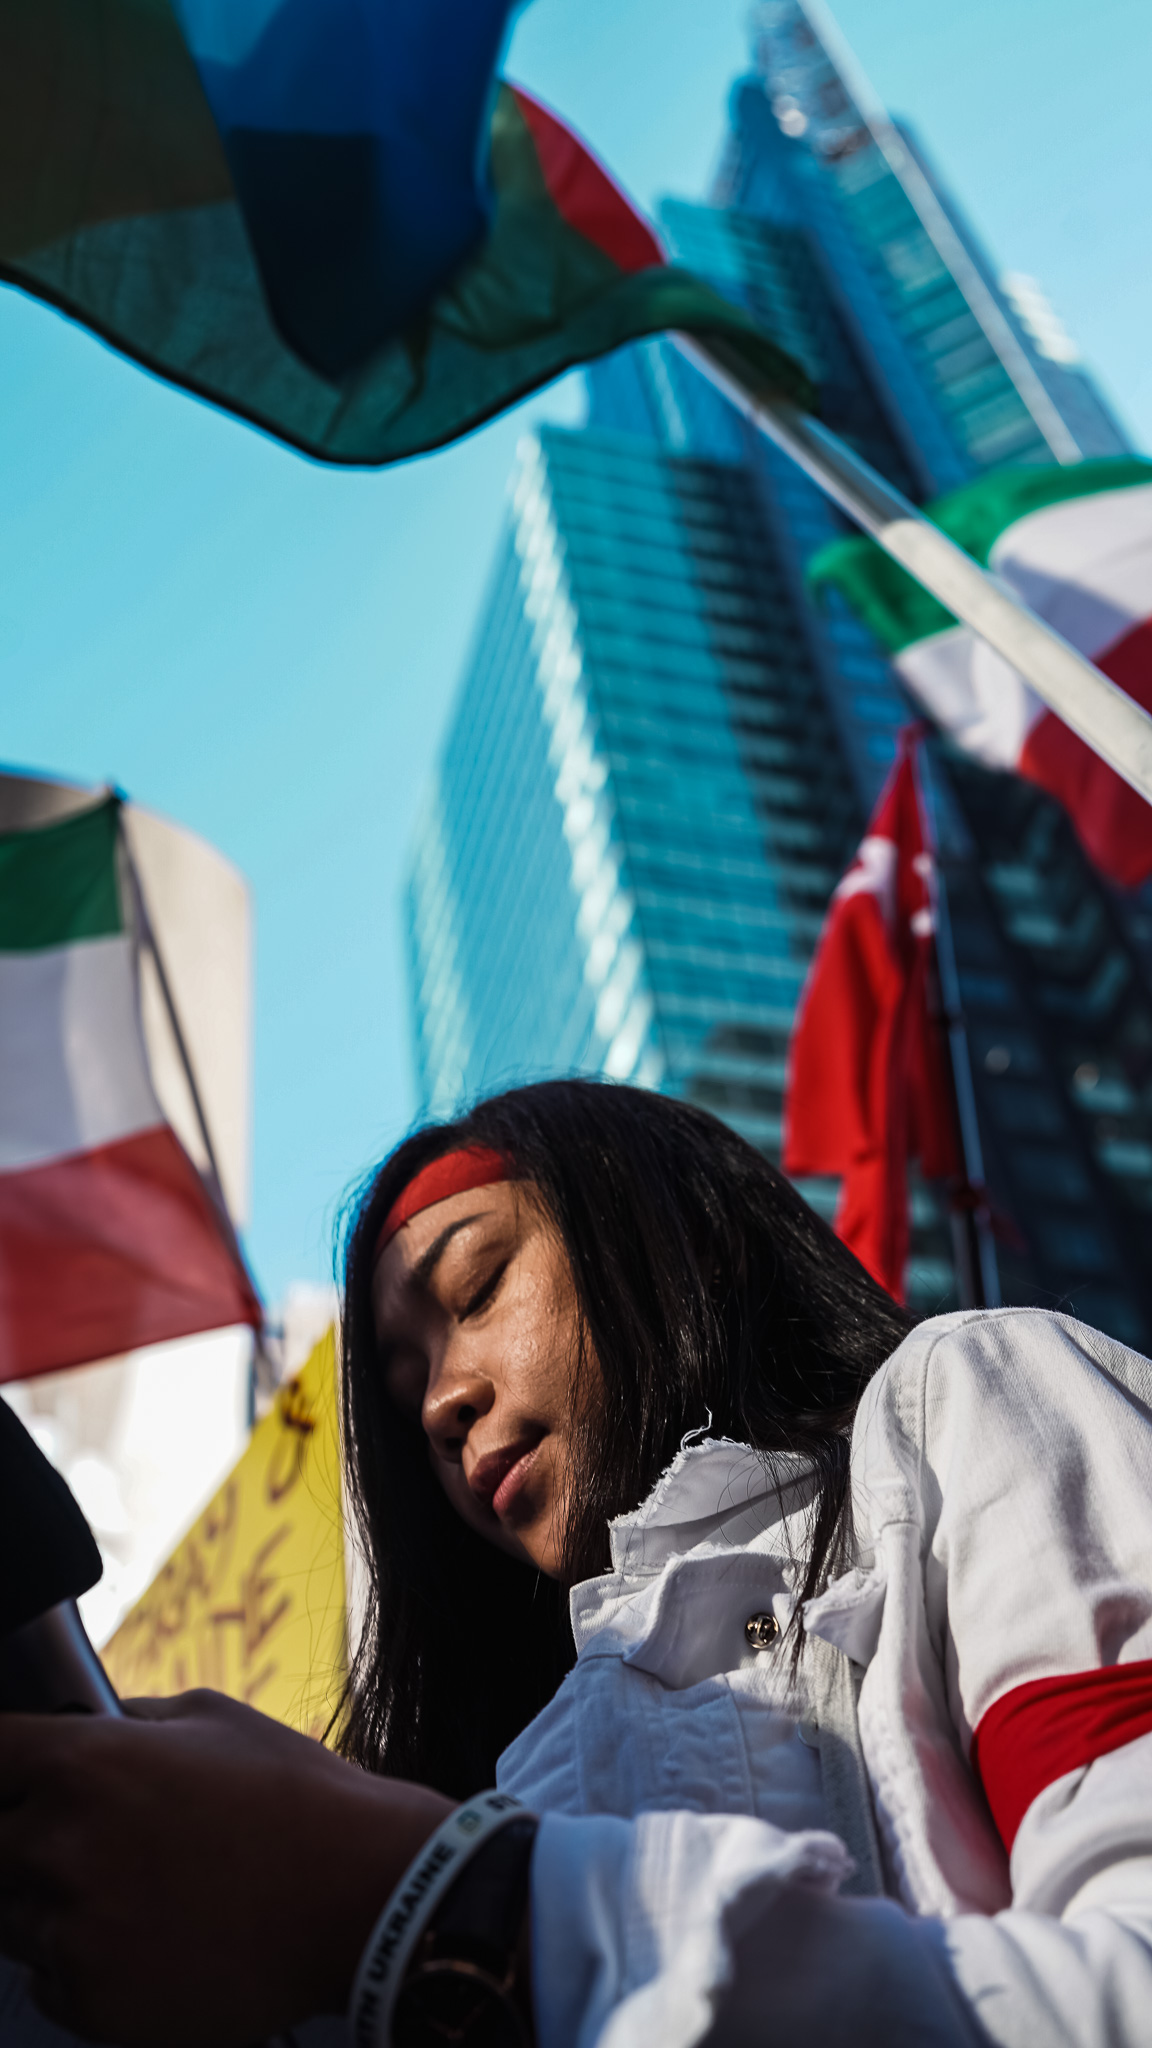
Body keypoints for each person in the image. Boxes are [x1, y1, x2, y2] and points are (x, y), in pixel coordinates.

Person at [1, 1077, 1151, 2048]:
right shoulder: (507, 1758)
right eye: (406, 1398)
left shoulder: (958, 1406)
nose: (445, 1399)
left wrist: (443, 1902)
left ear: (679, 1228)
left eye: (479, 1287)